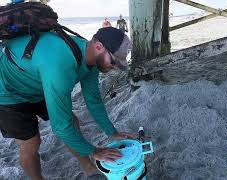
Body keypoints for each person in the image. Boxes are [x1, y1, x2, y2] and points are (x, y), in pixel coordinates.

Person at [0, 27, 134, 180]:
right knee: (31, 142)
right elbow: (60, 127)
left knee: (72, 121)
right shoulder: (61, 65)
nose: (114, 67)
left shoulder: (92, 60)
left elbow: (93, 100)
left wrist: (112, 132)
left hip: (37, 84)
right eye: (114, 61)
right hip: (7, 91)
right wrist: (94, 151)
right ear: (98, 47)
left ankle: (88, 168)